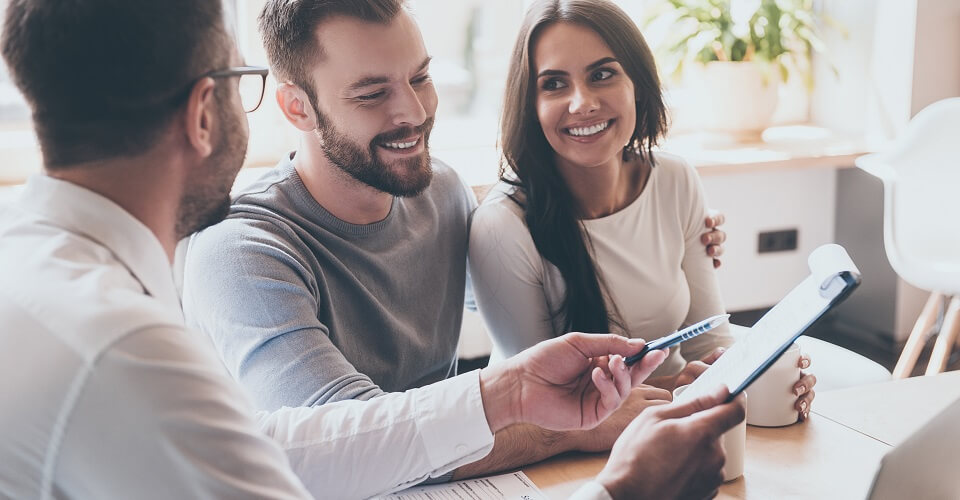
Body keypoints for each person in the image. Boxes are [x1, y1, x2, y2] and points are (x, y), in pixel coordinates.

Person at [0, 1, 746, 499]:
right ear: (206, 110)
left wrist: (508, 393)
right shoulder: (130, 348)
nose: (414, 111)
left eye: (420, 78)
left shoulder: (41, 277)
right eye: (242, 82)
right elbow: (314, 459)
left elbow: (297, 443)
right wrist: (618, 491)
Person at [468, 0, 816, 418]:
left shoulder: (674, 179)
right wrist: (675, 391)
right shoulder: (501, 226)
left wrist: (761, 377)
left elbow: (709, 343)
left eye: (602, 74)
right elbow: (541, 407)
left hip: (675, 424)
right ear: (530, 106)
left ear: (638, 81)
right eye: (555, 84)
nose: (582, 103)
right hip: (559, 455)